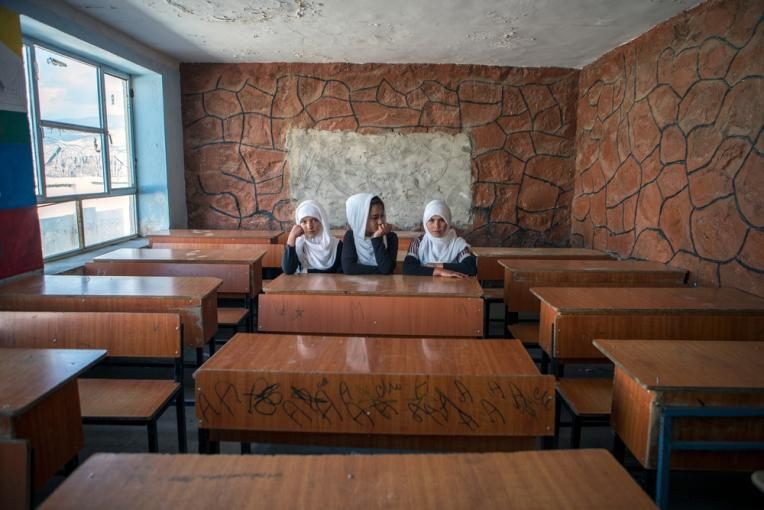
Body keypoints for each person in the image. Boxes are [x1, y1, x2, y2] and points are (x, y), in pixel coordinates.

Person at [403, 199, 476, 278]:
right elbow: (408, 268)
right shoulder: (418, 242)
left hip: (453, 287)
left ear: (448, 221)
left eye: (441, 220)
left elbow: (470, 268)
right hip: (424, 288)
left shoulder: (457, 243)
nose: (436, 226)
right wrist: (439, 271)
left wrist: (439, 265)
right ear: (425, 222)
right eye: (431, 220)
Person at [341, 193, 398, 274]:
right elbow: (349, 268)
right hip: (356, 286)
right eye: (375, 217)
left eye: (382, 216)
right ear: (361, 219)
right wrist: (380, 270)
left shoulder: (391, 237)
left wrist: (376, 238)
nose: (380, 221)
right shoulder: (351, 236)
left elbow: (387, 269)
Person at [281, 199, 342, 274]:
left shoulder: (336, 246)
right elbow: (288, 270)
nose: (309, 226)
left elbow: (340, 273)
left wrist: (307, 271)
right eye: (304, 222)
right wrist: (291, 237)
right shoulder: (299, 245)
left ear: (322, 222)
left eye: (314, 220)